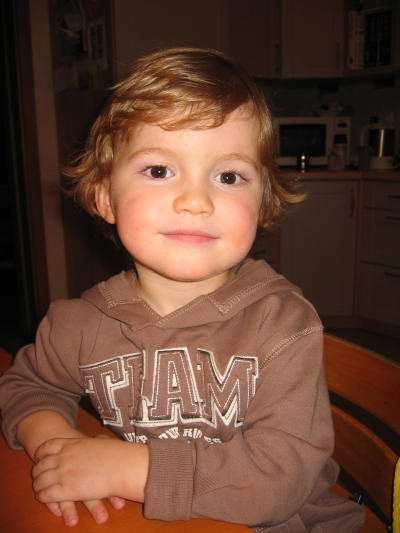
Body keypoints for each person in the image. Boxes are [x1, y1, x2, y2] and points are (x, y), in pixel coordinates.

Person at [0, 47, 364, 531]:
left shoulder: (283, 325)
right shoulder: (79, 323)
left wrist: (132, 469)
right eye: (159, 171)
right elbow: (27, 385)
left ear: (262, 203)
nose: (195, 200)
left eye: (228, 176)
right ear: (105, 197)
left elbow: (280, 480)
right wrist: (57, 446)